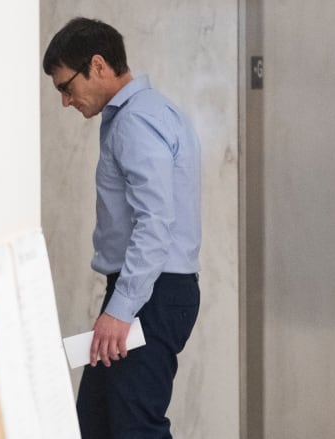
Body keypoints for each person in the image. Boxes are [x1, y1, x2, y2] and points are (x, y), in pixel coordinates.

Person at [43, 17, 202, 439]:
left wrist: (121, 308)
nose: (65, 101)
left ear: (97, 65)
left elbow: (155, 222)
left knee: (133, 428)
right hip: (151, 291)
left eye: (65, 86)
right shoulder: (156, 111)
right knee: (97, 422)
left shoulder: (135, 120)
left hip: (150, 294)